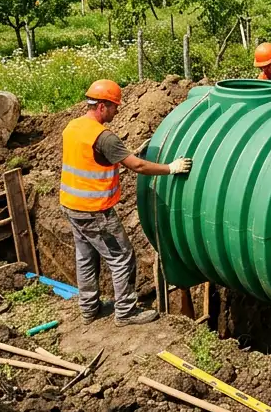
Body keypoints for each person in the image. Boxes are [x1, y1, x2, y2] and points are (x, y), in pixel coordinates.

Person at [61, 79, 193, 325]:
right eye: (114, 106)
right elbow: (138, 166)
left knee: (85, 256)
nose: (117, 111)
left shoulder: (74, 127)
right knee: (122, 256)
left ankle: (89, 309)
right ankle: (126, 312)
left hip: (71, 204)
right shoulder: (104, 137)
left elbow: (93, 158)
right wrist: (171, 168)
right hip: (94, 211)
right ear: (102, 106)